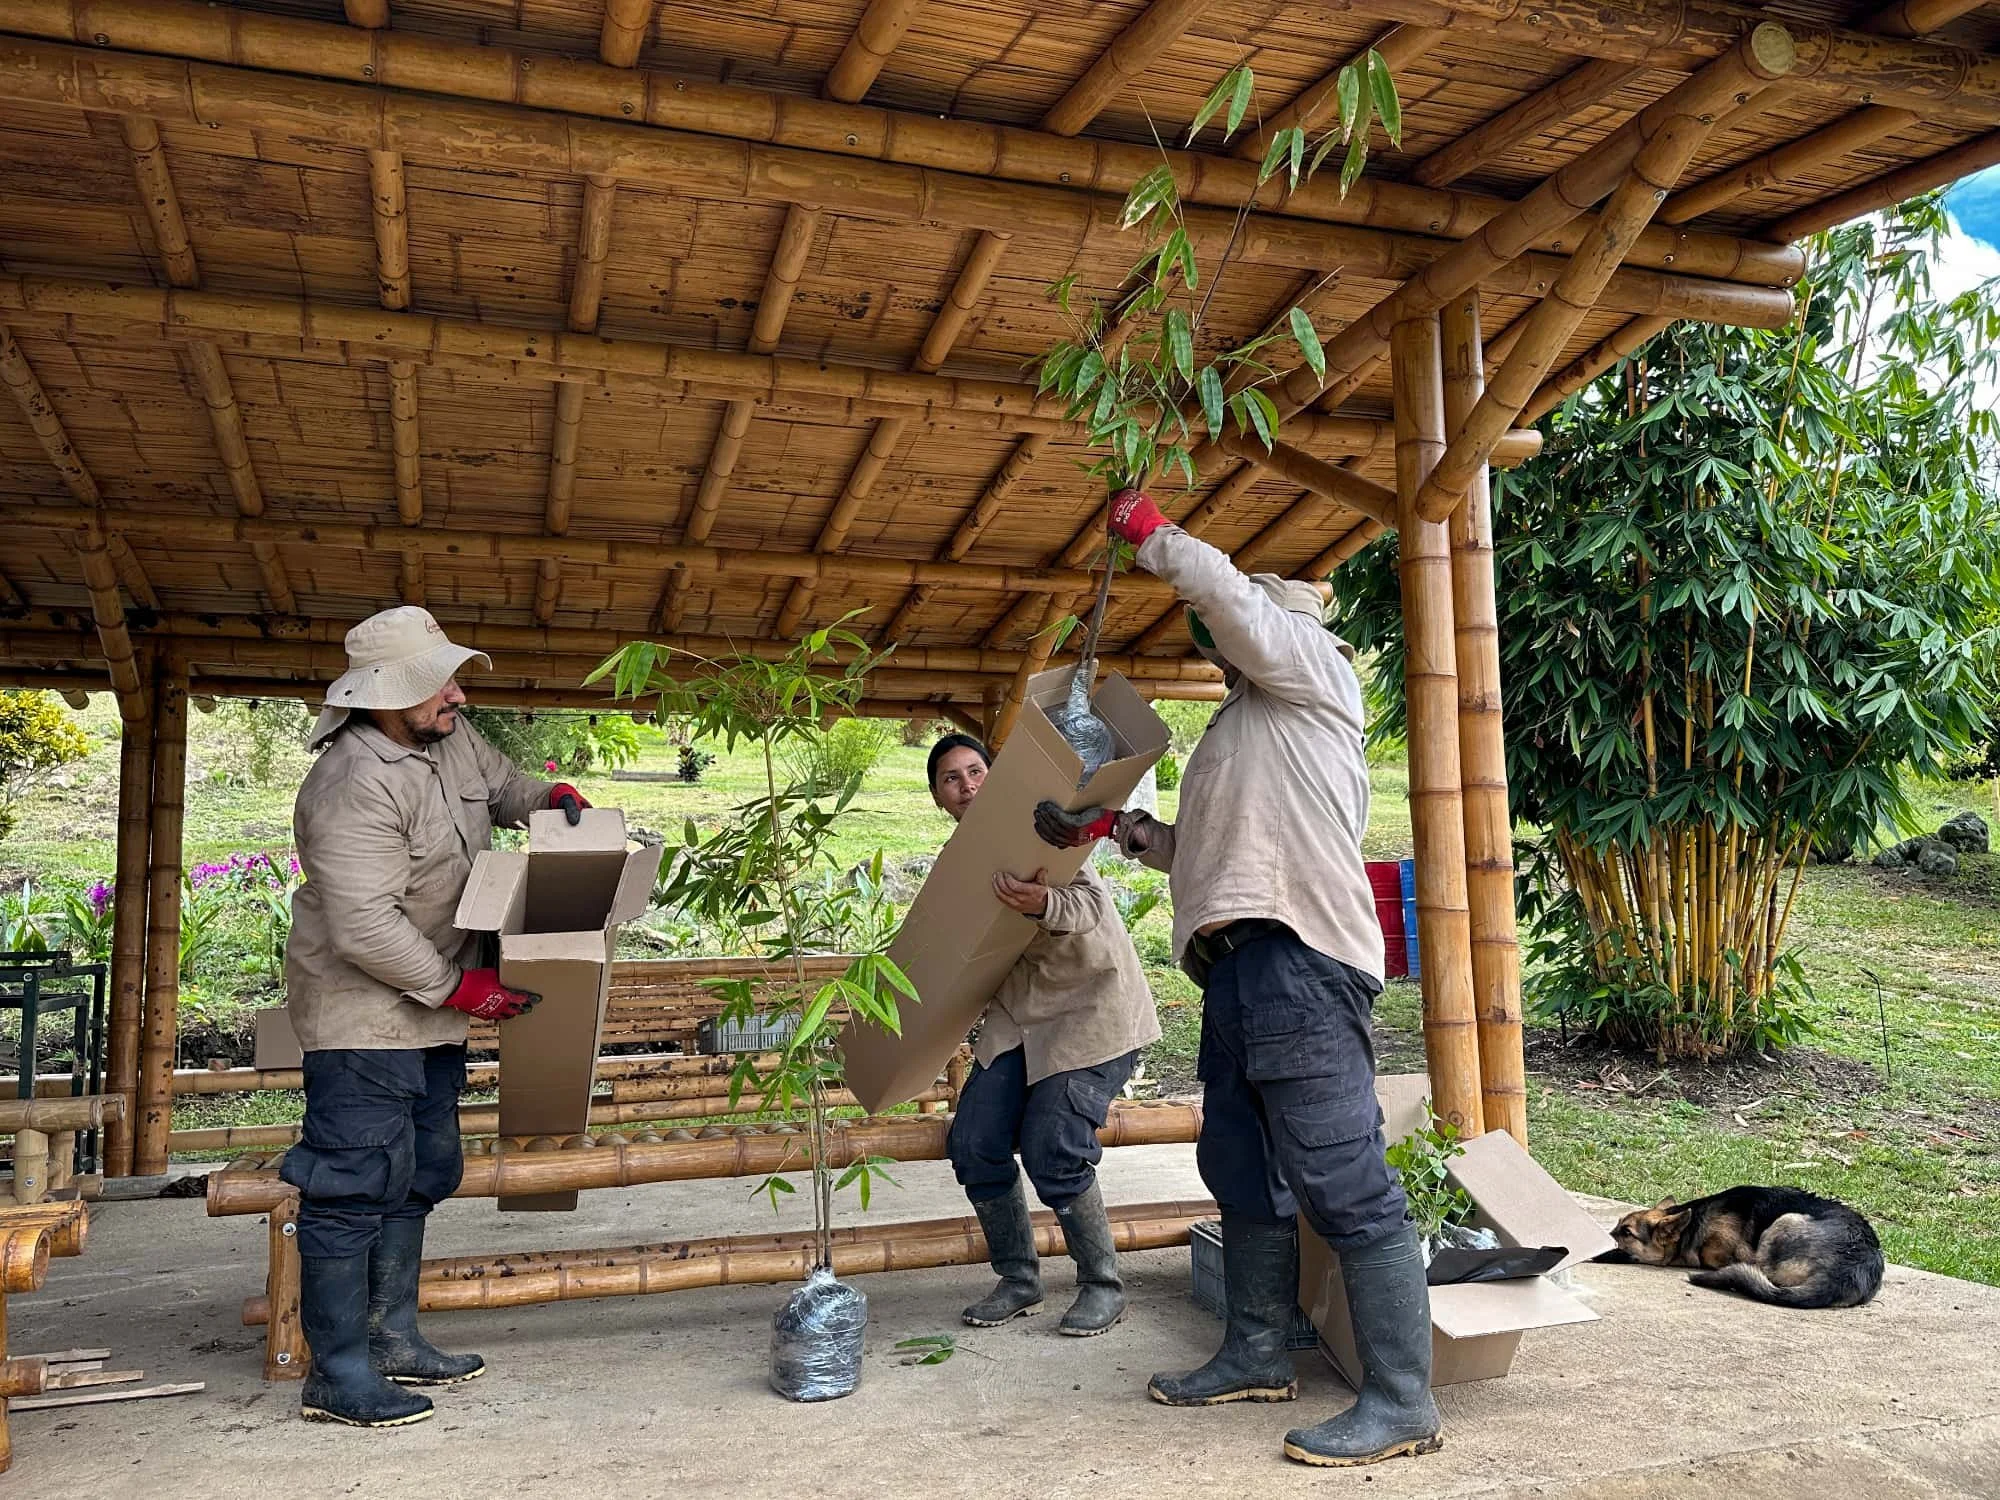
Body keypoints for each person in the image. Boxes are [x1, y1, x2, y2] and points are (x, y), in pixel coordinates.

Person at [1033, 491, 1441, 1468]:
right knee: (1238, 1170)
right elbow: (1206, 853)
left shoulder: (1312, 672)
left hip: (1300, 959)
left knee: (1342, 1180)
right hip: (1238, 969)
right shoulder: (1249, 726)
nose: (1220, 647)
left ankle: (1400, 1401)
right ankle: (1257, 1349)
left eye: (1232, 632)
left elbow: (1230, 602)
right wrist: (1116, 833)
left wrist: (1152, 535)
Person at [281, 606, 591, 1428]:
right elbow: (363, 928)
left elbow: (502, 784)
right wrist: (460, 988)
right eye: (436, 682)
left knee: (422, 1171)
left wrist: (550, 798)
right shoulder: (352, 781)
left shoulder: (446, 738)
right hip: (364, 1017)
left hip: (431, 1008)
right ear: (385, 694)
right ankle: (338, 1372)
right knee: (351, 1182)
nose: (456, 693)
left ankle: (395, 1337)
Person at [928, 733, 1160, 1337]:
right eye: (951, 778)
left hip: (1091, 1012)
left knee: (1053, 1144)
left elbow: (1088, 909)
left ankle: (1102, 1285)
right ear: (937, 798)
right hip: (1018, 1018)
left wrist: (1041, 902)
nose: (967, 785)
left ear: (994, 776)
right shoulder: (954, 866)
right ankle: (1019, 1278)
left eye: (975, 770)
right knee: (975, 1142)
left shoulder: (1043, 831)